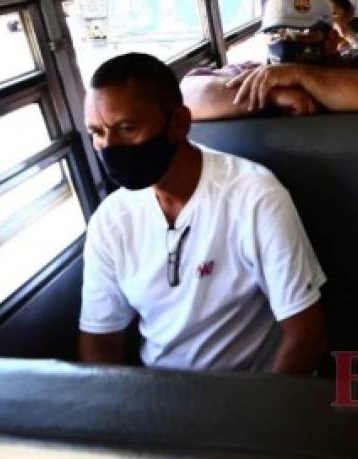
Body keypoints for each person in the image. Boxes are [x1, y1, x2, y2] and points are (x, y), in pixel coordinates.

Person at [79, 53, 327, 374]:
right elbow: (99, 340)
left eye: (127, 128)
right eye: (97, 132)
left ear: (179, 123)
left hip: (247, 394)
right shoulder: (111, 220)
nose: (110, 146)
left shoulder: (253, 195)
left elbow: (307, 334)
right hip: (159, 399)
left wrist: (261, 415)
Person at [181, 0, 358, 119]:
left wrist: (302, 75)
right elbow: (187, 94)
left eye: (303, 33)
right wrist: (272, 95)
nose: (287, 41)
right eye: (277, 33)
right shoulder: (257, 74)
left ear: (331, 40)